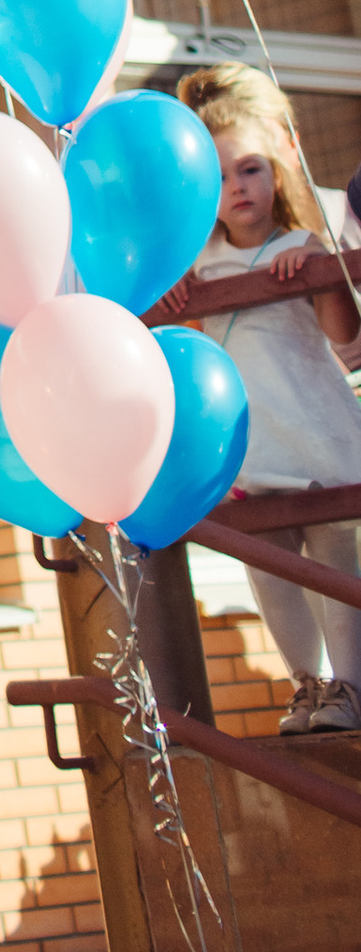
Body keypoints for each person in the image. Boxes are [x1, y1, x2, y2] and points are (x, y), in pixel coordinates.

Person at [158, 62, 361, 737]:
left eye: (250, 168)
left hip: (316, 430)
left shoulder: (305, 246)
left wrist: (315, 278)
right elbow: (188, 354)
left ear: (277, 169)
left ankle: (352, 686)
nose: (238, 188)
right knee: (271, 571)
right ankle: (307, 683)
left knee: (336, 558)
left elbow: (345, 341)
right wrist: (185, 303)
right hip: (250, 443)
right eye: (218, 177)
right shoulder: (198, 268)